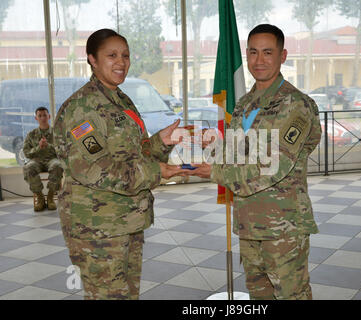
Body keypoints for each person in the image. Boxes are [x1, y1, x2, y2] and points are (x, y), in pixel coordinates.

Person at [53, 28, 189, 300]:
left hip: (126, 220)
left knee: (127, 295)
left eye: (125, 55)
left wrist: (162, 141)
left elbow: (132, 154)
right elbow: (94, 169)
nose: (121, 62)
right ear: (92, 59)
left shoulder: (119, 99)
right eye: (111, 55)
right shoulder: (82, 107)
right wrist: (155, 172)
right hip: (98, 229)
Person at [190, 24, 322, 300]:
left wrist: (216, 171)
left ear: (282, 56)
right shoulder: (245, 103)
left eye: (267, 52)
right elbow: (240, 153)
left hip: (282, 226)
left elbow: (275, 164)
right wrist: (213, 144)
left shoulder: (295, 104)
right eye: (252, 52)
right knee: (259, 295)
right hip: (249, 222)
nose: (258, 60)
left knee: (291, 295)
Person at [23, 106, 63, 211]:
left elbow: (62, 150)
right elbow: (26, 153)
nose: (42, 118)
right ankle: (40, 198)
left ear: (49, 116)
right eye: (39, 116)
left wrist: (48, 145)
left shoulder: (56, 133)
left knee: (58, 166)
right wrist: (38, 147)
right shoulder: (31, 135)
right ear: (36, 118)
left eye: (45, 115)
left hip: (51, 159)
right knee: (29, 167)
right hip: (37, 160)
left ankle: (50, 197)